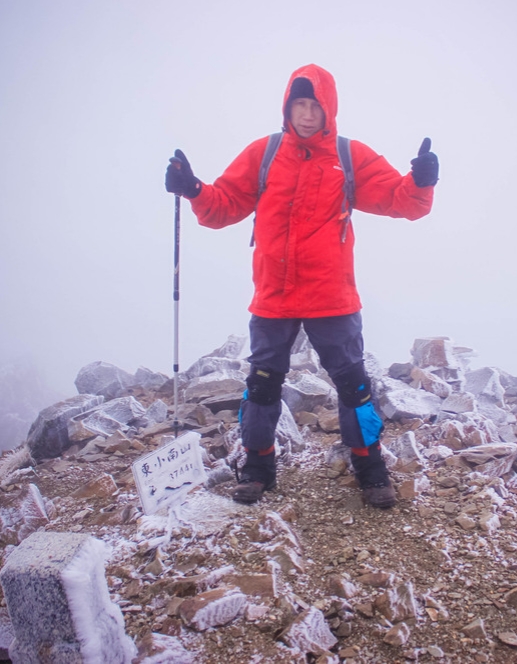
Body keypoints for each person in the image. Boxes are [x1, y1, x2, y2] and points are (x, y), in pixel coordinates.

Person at [165, 64, 438, 508]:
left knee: (354, 386)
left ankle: (370, 468)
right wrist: (194, 188)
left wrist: (422, 181)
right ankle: (257, 467)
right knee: (262, 384)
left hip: (332, 297)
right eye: (300, 104)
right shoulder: (266, 153)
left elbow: (401, 200)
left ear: (328, 109)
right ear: (288, 106)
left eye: (315, 105)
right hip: (274, 296)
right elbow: (223, 206)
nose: (307, 114)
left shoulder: (349, 156)